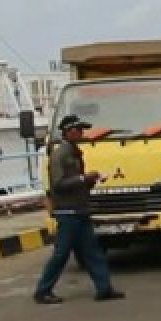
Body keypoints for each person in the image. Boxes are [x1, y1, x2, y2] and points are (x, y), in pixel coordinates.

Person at [33, 114, 125, 304]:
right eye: (78, 130)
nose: (82, 133)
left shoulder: (75, 152)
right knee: (61, 254)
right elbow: (58, 184)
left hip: (80, 210)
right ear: (68, 132)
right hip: (68, 213)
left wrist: (90, 181)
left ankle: (104, 288)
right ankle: (43, 291)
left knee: (93, 252)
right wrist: (84, 179)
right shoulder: (60, 154)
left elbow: (76, 181)